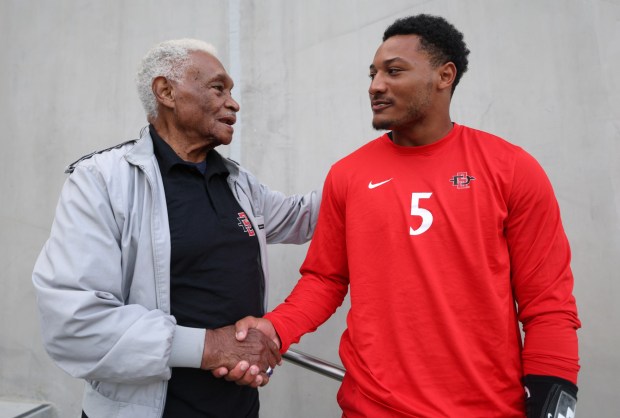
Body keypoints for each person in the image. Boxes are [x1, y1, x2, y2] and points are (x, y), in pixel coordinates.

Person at [233, 14, 581, 417]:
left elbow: (548, 303)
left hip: (488, 407)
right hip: (372, 408)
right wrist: (276, 327)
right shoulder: (348, 174)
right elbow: (326, 279)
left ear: (444, 76)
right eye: (373, 73)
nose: (375, 85)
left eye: (393, 71)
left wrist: (555, 397)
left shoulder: (511, 168)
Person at [32, 38, 320, 418]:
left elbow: (304, 216)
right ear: (165, 91)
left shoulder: (237, 182)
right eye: (218, 88)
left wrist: (385, 161)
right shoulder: (101, 179)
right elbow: (75, 321)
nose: (233, 103)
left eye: (232, 92)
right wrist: (211, 346)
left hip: (239, 407)